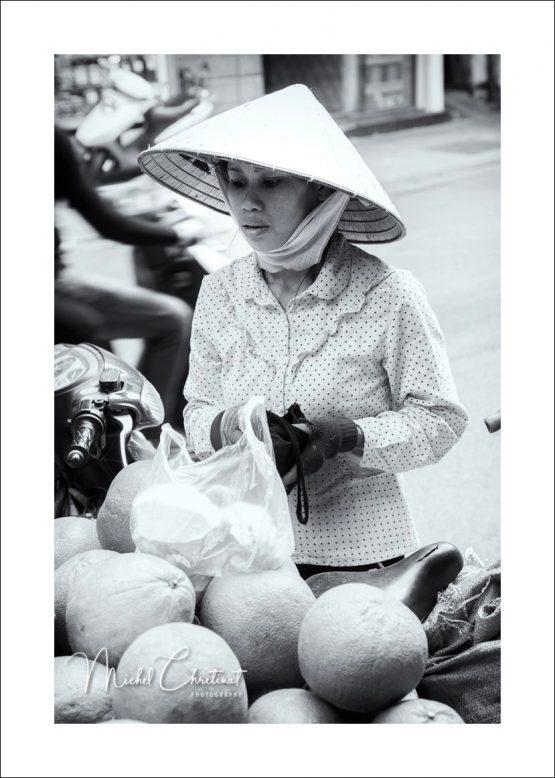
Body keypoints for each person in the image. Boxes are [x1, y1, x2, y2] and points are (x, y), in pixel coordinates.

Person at [137, 85, 469, 578]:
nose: (247, 203)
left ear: (319, 191)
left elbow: (440, 420)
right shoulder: (220, 293)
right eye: (236, 180)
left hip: (364, 556)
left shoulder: (388, 293)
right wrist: (236, 426)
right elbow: (198, 409)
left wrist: (348, 436)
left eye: (271, 182)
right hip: (246, 549)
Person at [54, 124, 195, 427]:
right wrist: (178, 233)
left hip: (59, 280)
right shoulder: (54, 141)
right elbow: (107, 221)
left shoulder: (59, 139)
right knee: (171, 320)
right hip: (56, 289)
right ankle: (142, 431)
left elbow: (100, 208)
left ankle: (133, 422)